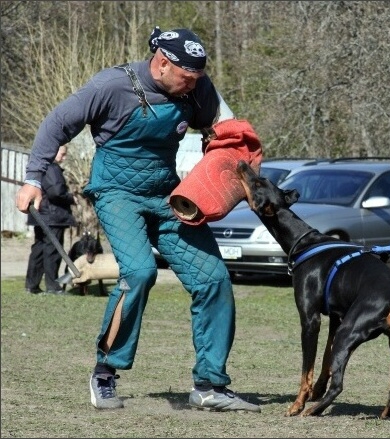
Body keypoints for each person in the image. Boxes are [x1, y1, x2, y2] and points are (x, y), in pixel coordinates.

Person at [16, 26, 262, 413]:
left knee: (213, 278)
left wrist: (238, 162)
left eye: (198, 79)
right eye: (187, 78)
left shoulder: (197, 87)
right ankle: (104, 373)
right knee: (139, 273)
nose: (193, 86)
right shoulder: (111, 86)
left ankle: (210, 385)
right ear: (162, 64)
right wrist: (33, 178)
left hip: (169, 196)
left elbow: (225, 130)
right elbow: (57, 122)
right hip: (116, 193)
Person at [24, 144, 77, 294]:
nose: (64, 157)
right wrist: (71, 198)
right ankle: (53, 287)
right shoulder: (52, 168)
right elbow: (56, 192)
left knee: (39, 250)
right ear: (53, 151)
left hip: (40, 215)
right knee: (52, 251)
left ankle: (31, 285)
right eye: (63, 154)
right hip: (53, 216)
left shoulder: (40, 168)